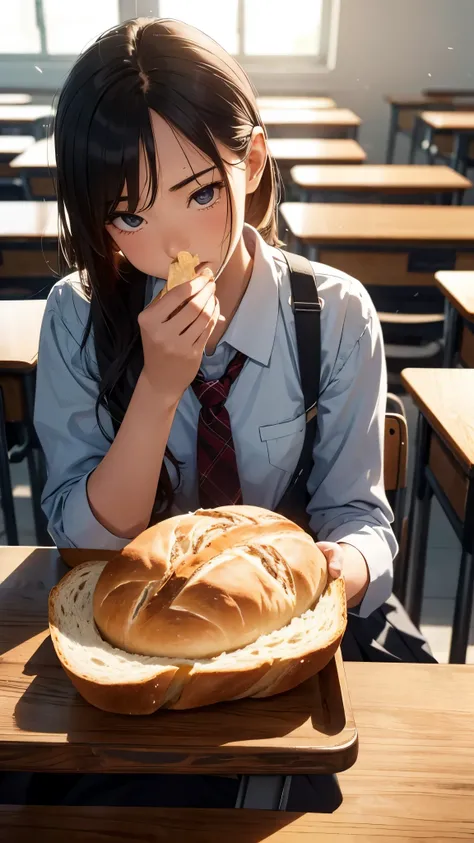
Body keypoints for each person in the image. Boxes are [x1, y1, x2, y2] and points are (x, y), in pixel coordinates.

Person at [29, 16, 433, 811]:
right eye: (129, 216)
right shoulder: (75, 314)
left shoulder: (337, 314)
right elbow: (77, 542)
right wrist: (157, 390)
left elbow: (361, 518)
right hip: (129, 658)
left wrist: (313, 591)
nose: (172, 239)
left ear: (249, 162)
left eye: (200, 192)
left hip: (296, 665)